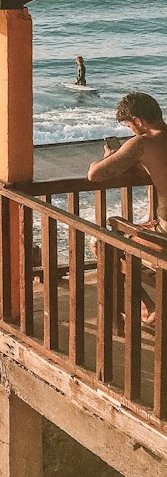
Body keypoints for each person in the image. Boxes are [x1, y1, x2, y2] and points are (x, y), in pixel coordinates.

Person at [88, 92, 167, 322]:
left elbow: (95, 175)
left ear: (138, 120)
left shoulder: (143, 142)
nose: (131, 131)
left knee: (101, 243)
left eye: (130, 125)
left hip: (165, 236)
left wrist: (107, 157)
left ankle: (149, 305)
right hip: (162, 227)